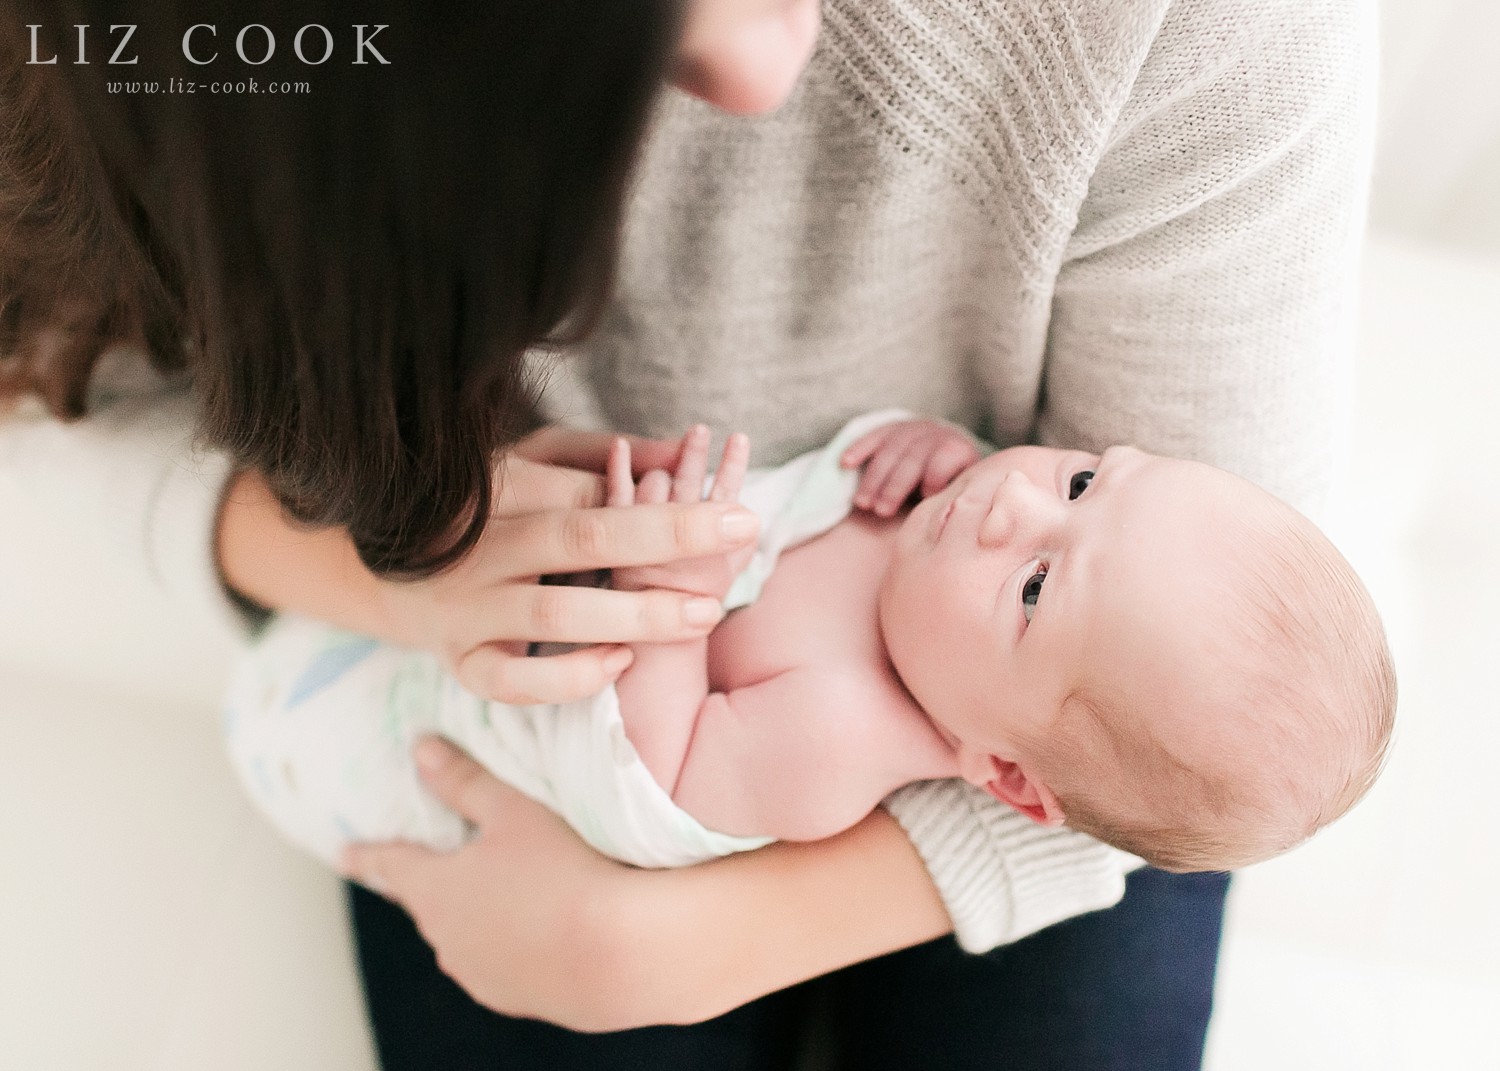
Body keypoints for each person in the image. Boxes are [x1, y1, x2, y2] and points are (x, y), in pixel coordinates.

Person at [0, 0, 1378, 1066]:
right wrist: (393, 563)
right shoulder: (204, 65)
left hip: (1089, 749)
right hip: (510, 677)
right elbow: (66, 414)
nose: (762, 81)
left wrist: (664, 946)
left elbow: (1194, 731)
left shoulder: (1206, 40)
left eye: (1046, 536)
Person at [226, 414, 1393, 878]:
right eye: (1082, 480)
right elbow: (877, 490)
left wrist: (676, 605)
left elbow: (658, 780)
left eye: (1035, 587)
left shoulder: (842, 734)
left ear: (1006, 775)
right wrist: (925, 445)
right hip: (431, 612)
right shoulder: (945, 550)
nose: (1011, 505)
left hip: (387, 738)